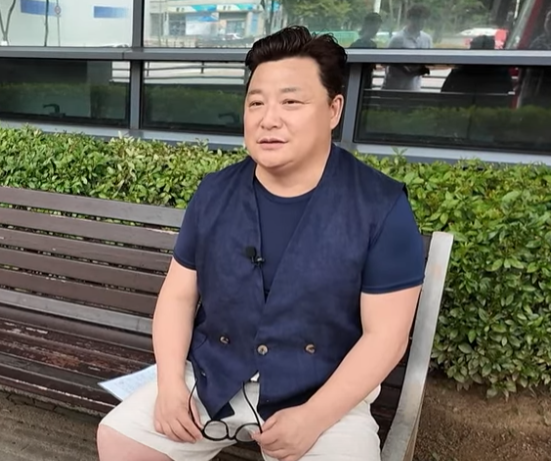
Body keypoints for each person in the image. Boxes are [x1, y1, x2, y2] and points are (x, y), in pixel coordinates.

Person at [96, 25, 425, 461]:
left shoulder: (380, 207)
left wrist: (313, 417)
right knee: (120, 439)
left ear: (333, 109)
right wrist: (171, 384)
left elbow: (386, 336)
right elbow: (177, 296)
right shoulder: (215, 193)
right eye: (256, 103)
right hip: (213, 375)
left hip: (323, 392)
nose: (269, 119)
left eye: (291, 102)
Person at [382, 4, 433, 91]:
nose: (422, 21)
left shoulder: (427, 39)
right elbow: (385, 62)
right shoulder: (398, 39)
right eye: (419, 18)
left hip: (414, 89)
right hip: (394, 88)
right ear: (410, 18)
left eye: (424, 18)